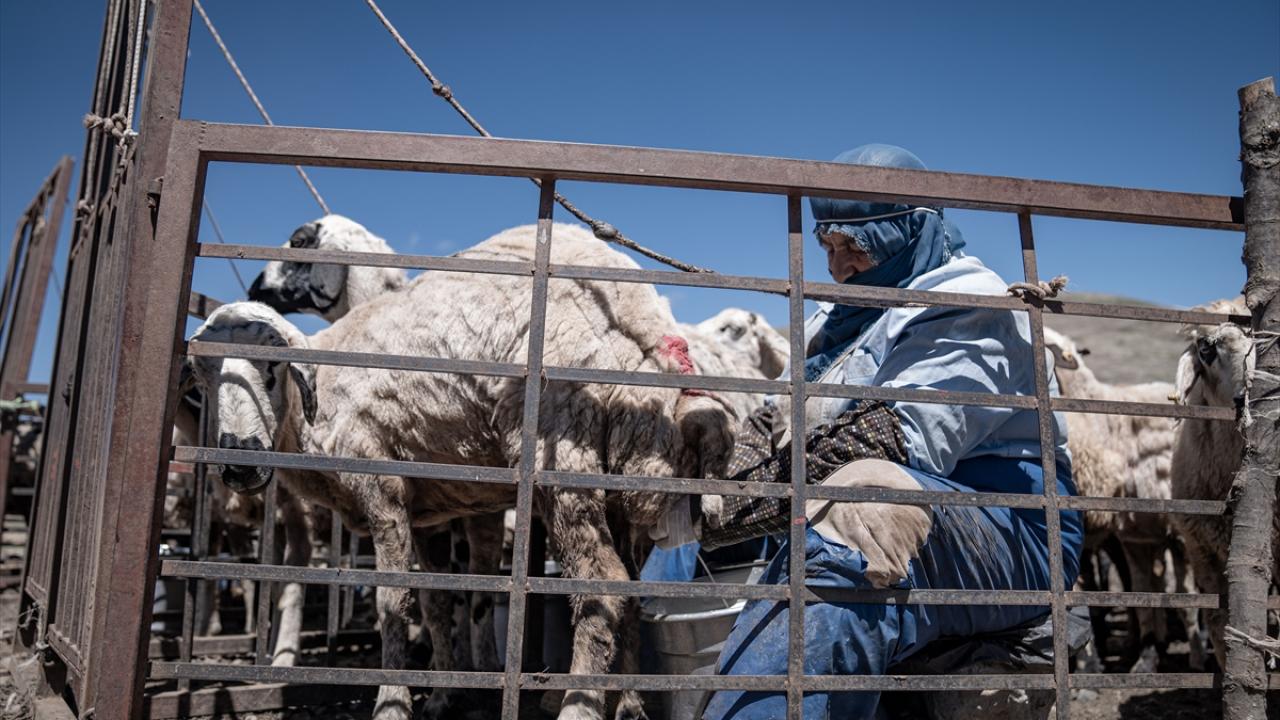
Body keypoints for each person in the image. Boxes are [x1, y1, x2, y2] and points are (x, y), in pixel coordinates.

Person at [689, 144, 1084, 720]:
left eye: (856, 245)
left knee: (867, 502)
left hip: (1006, 525)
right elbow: (769, 418)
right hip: (844, 500)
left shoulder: (974, 304)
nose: (836, 265)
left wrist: (732, 507)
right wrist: (704, 497)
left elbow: (892, 439)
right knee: (674, 538)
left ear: (911, 232)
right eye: (828, 245)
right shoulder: (833, 323)